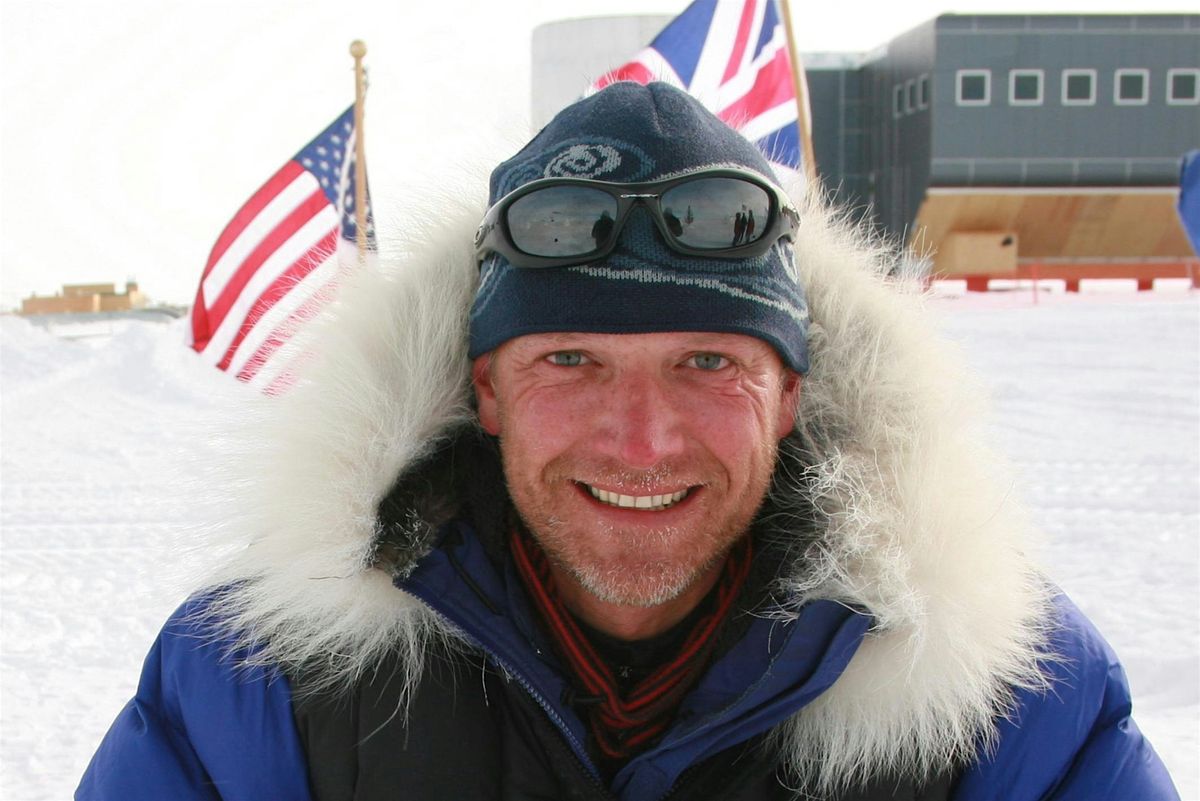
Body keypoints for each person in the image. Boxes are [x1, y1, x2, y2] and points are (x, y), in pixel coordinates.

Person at [77, 82, 1179, 800]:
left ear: (788, 395)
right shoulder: (255, 686)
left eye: (708, 363)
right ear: (486, 389)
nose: (642, 441)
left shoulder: (1012, 697)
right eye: (571, 360)